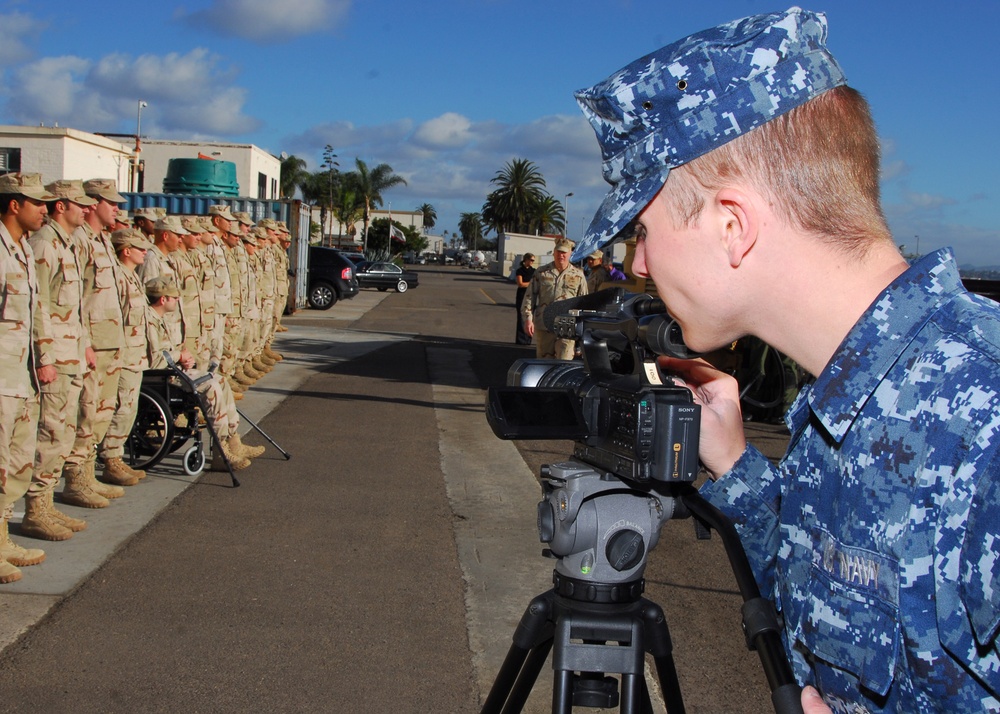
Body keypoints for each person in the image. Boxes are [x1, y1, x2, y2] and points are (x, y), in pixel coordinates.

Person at [571, 8, 1000, 713]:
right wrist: (736, 468)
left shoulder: (982, 427)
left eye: (643, 230)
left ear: (731, 226)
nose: (639, 263)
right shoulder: (853, 404)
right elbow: (832, 589)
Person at [143, 276, 262, 471]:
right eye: (173, 297)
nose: (177, 300)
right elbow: (153, 359)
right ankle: (220, 452)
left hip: (172, 370)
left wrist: (183, 357)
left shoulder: (159, 319)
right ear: (163, 299)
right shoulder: (148, 321)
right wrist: (178, 356)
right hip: (160, 376)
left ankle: (232, 441)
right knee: (211, 386)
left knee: (220, 381)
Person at [0, 173, 53, 582]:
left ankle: (1, 538)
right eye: (37, 202)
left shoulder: (20, 249)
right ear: (13, 204)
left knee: (15, 463)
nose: (45, 209)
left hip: (22, 375)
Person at [521, 240, 587, 359]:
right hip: (545, 324)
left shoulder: (578, 275)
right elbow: (530, 297)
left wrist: (582, 328)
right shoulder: (541, 272)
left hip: (567, 327)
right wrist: (528, 319)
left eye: (564, 252)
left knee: (564, 363)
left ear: (570, 253)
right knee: (543, 364)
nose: (560, 255)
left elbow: (584, 302)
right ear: (554, 252)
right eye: (558, 251)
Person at [513, 252, 535, 345]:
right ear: (526, 260)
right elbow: (520, 284)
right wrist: (531, 284)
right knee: (521, 318)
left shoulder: (534, 271)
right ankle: (521, 339)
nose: (532, 262)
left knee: (530, 318)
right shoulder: (520, 271)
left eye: (533, 260)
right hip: (522, 295)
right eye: (531, 260)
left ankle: (528, 338)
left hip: (531, 296)